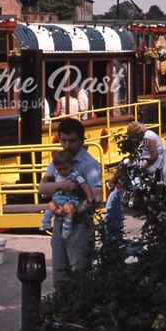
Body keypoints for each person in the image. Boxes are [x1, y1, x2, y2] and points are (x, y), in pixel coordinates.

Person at [38, 118, 102, 286]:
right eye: (63, 140)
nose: (67, 145)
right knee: (59, 273)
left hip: (80, 224)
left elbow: (96, 197)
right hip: (59, 223)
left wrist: (73, 212)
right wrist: (62, 185)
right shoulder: (58, 161)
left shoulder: (89, 165)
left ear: (82, 140)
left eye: (72, 141)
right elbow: (42, 189)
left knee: (79, 272)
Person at [38, 150, 97, 239]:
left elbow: (84, 185)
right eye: (59, 169)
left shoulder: (75, 175)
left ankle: (67, 227)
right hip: (58, 199)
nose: (62, 172)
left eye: (65, 169)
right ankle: (46, 223)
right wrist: (46, 178)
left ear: (71, 165)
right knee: (50, 206)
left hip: (70, 199)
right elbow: (49, 178)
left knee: (68, 208)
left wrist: (90, 197)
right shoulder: (57, 173)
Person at [127, 121, 166, 185]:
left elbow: (154, 156)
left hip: (158, 162)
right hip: (158, 160)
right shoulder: (148, 134)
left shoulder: (148, 138)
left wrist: (143, 166)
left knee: (130, 167)